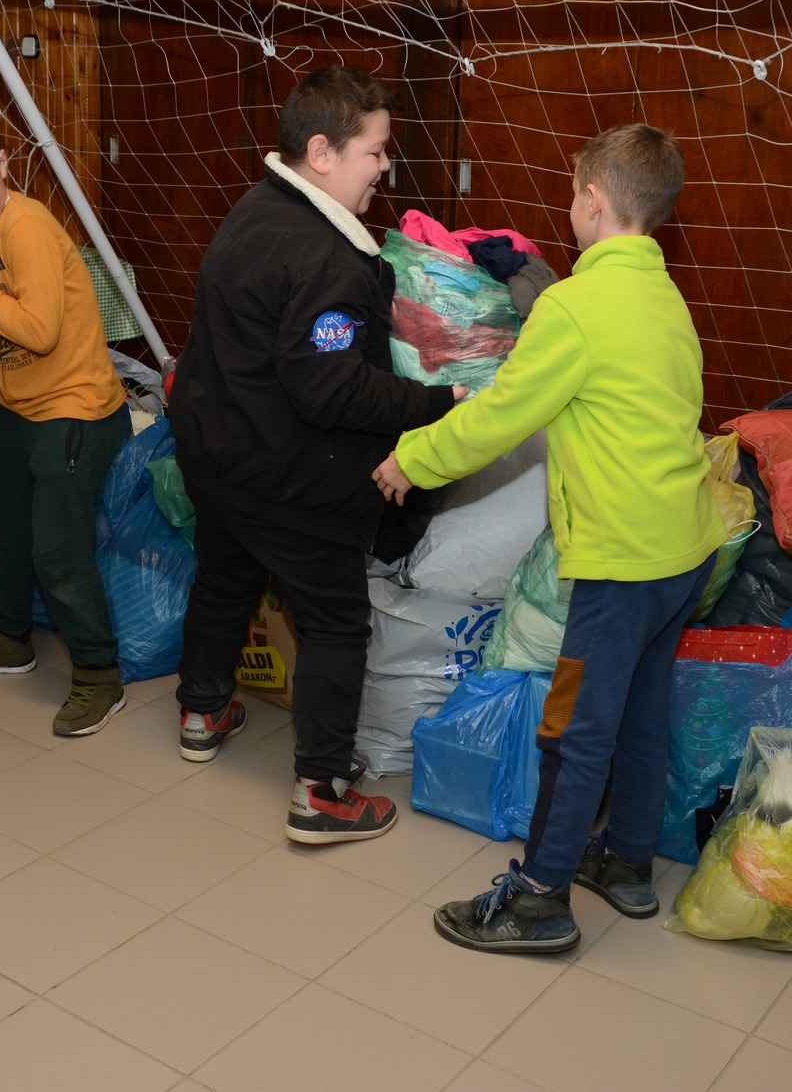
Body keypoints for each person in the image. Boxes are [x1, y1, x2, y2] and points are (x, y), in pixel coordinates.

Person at [376, 123, 723, 950]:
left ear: (594, 201)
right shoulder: (665, 296)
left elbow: (499, 414)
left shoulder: (574, 305)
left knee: (572, 722)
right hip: (687, 550)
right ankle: (629, 862)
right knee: (639, 711)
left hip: (621, 564)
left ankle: (538, 897)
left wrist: (412, 461)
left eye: (574, 193)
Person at [170, 68, 461, 844]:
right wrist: (437, 406)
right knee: (334, 621)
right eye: (375, 151)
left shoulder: (254, 208)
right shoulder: (328, 257)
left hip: (217, 455)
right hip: (290, 480)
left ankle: (202, 709)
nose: (384, 168)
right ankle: (322, 790)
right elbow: (329, 391)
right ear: (324, 152)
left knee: (225, 580)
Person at [0, 109, 135, 738]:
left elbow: (37, 331)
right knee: (0, 530)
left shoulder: (27, 229)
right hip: (20, 407)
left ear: (5, 165)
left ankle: (99, 676)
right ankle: (9, 640)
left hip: (77, 410)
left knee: (58, 552)